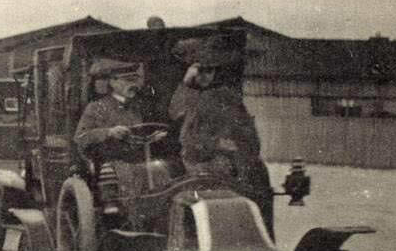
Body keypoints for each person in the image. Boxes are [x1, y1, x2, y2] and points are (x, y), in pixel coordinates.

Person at [170, 35, 273, 229]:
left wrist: (240, 150)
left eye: (211, 70)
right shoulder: (192, 98)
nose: (206, 76)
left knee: (258, 177)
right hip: (204, 165)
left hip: (236, 165)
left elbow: (248, 135)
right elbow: (185, 132)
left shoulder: (227, 97)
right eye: (201, 70)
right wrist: (186, 84)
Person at [74, 58, 159, 207]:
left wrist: (152, 138)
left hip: (138, 162)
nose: (133, 85)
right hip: (109, 163)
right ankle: (113, 208)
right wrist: (108, 132)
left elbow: (136, 137)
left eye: (134, 79)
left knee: (161, 172)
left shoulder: (137, 107)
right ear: (112, 82)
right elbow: (80, 137)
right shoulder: (96, 108)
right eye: (127, 80)